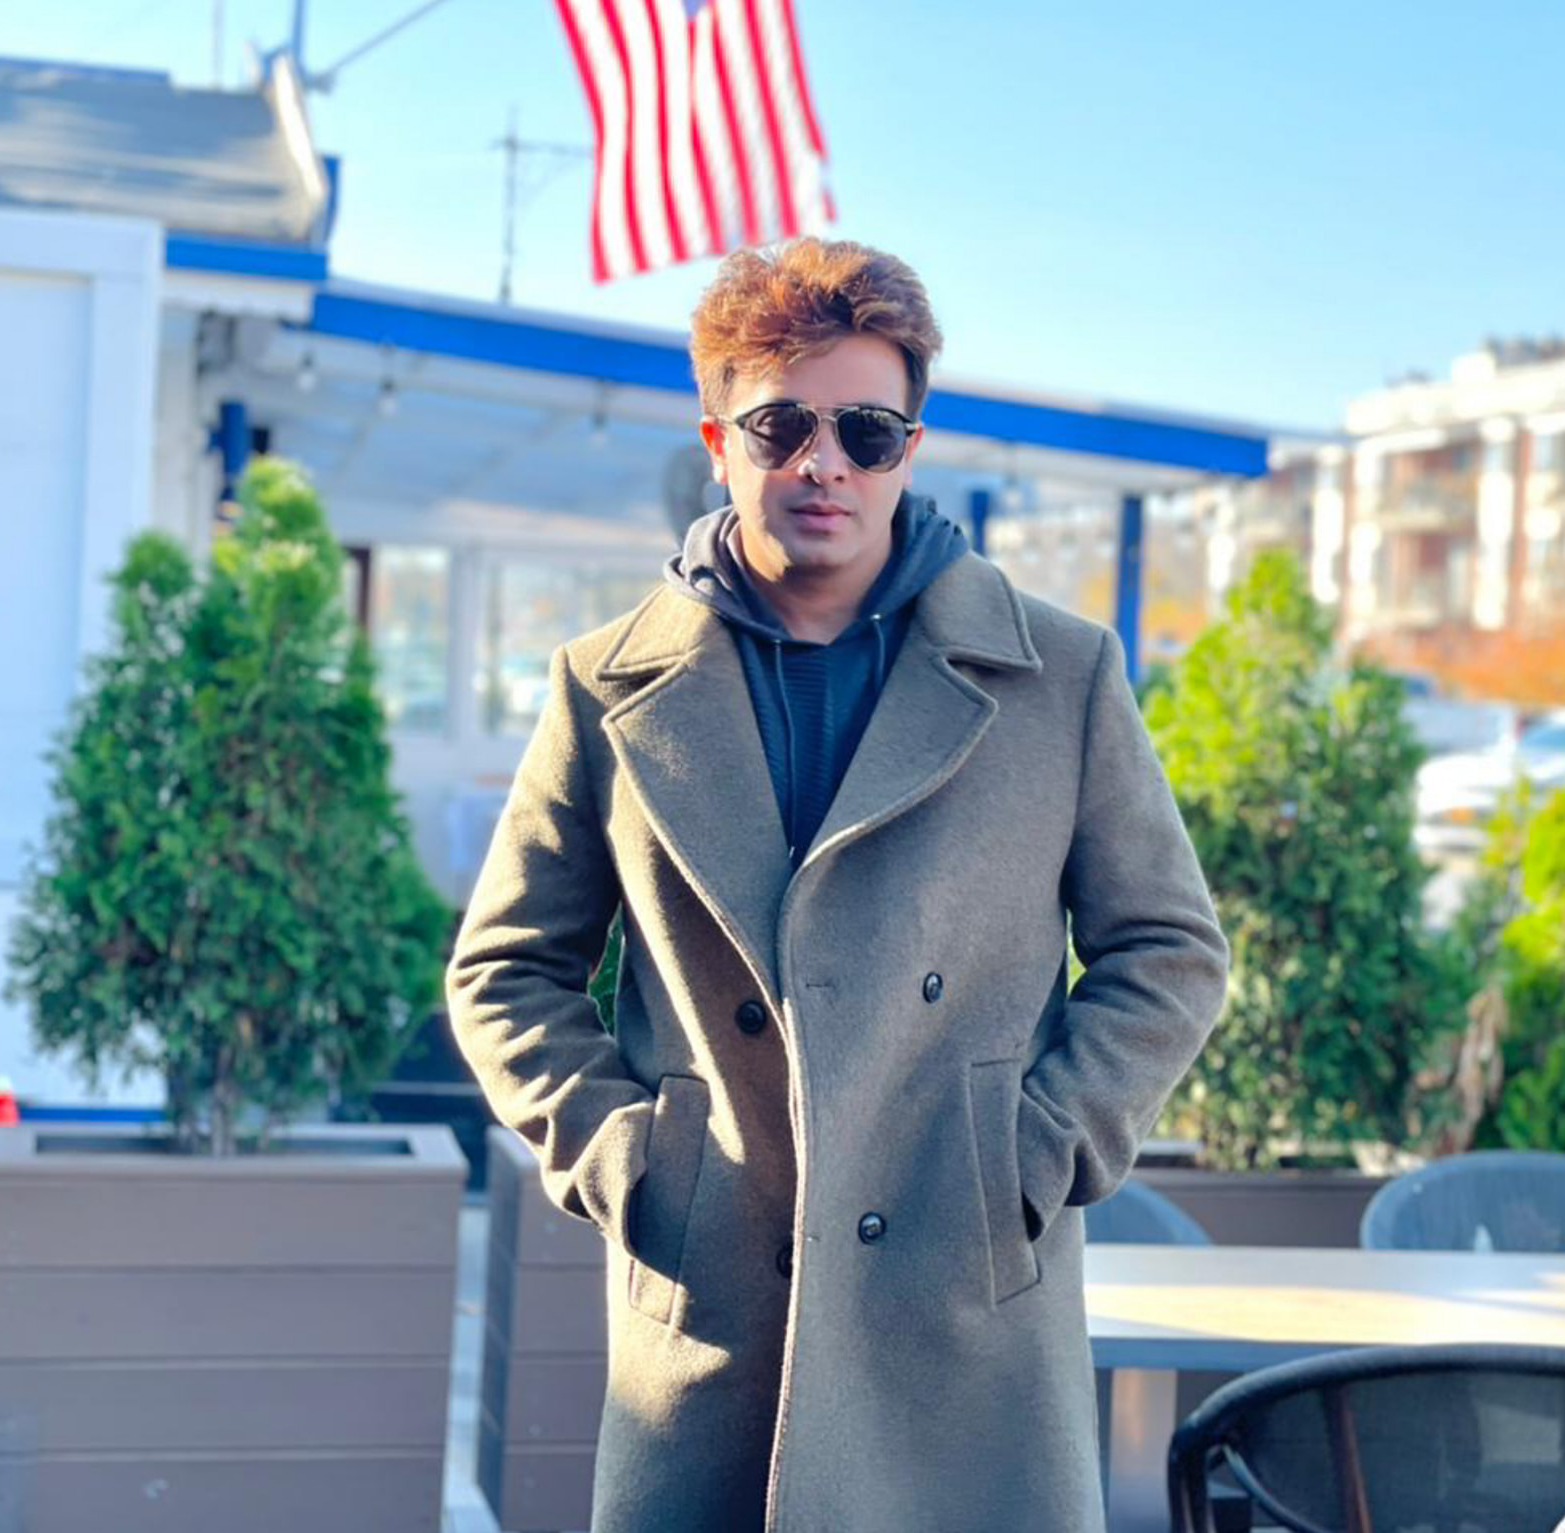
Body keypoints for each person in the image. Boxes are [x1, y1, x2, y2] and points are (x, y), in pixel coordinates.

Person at [446, 237, 1228, 1532]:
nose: (825, 464)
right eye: (783, 426)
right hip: (714, 1303)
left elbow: (1170, 951)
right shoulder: (606, 684)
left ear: (910, 450)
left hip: (962, 1300)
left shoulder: (1060, 675)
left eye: (867, 431)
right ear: (719, 441)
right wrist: (631, 1159)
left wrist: (1032, 1153)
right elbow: (505, 968)